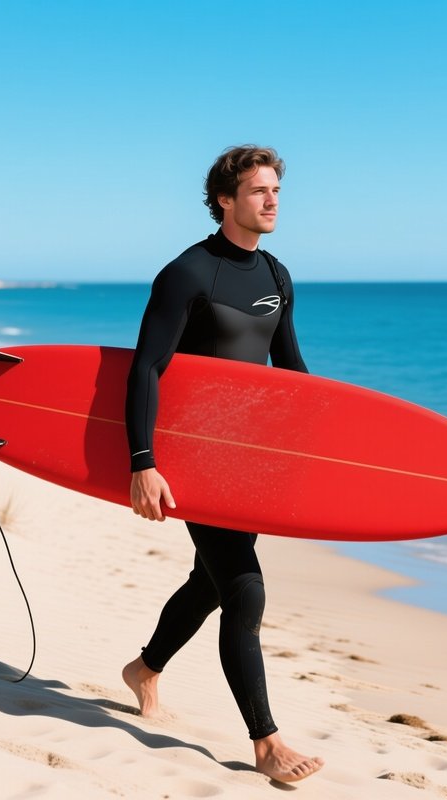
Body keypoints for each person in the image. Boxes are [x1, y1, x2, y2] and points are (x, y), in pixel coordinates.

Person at [122, 145, 323, 783]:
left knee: (212, 580)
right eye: (259, 191)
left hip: (248, 458)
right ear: (224, 200)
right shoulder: (187, 272)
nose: (271, 201)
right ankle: (266, 745)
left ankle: (145, 668)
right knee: (244, 587)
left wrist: (324, 448)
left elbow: (290, 371)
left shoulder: (278, 275)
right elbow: (145, 368)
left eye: (276, 191)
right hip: (192, 456)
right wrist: (143, 461)